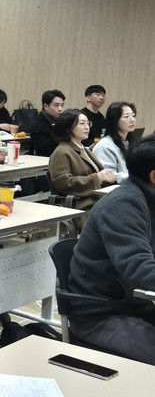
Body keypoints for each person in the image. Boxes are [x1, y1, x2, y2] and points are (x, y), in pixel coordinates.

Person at [67, 134, 155, 364]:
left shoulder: (148, 199)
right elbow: (138, 266)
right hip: (100, 314)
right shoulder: (124, 204)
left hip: (136, 305)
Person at [49, 109, 116, 228]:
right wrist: (97, 178)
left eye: (88, 123)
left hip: (96, 200)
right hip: (82, 204)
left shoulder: (84, 149)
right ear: (68, 128)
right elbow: (63, 183)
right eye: (82, 123)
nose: (87, 127)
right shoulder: (61, 151)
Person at [92, 101, 137, 183]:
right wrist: (139, 179)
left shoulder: (130, 142)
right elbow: (109, 176)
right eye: (126, 116)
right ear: (115, 120)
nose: (132, 120)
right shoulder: (105, 146)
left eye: (133, 115)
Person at [30, 89, 65, 157]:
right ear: (46, 106)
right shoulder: (37, 124)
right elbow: (43, 149)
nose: (60, 109)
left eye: (62, 105)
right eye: (56, 105)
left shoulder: (60, 120)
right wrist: (58, 130)